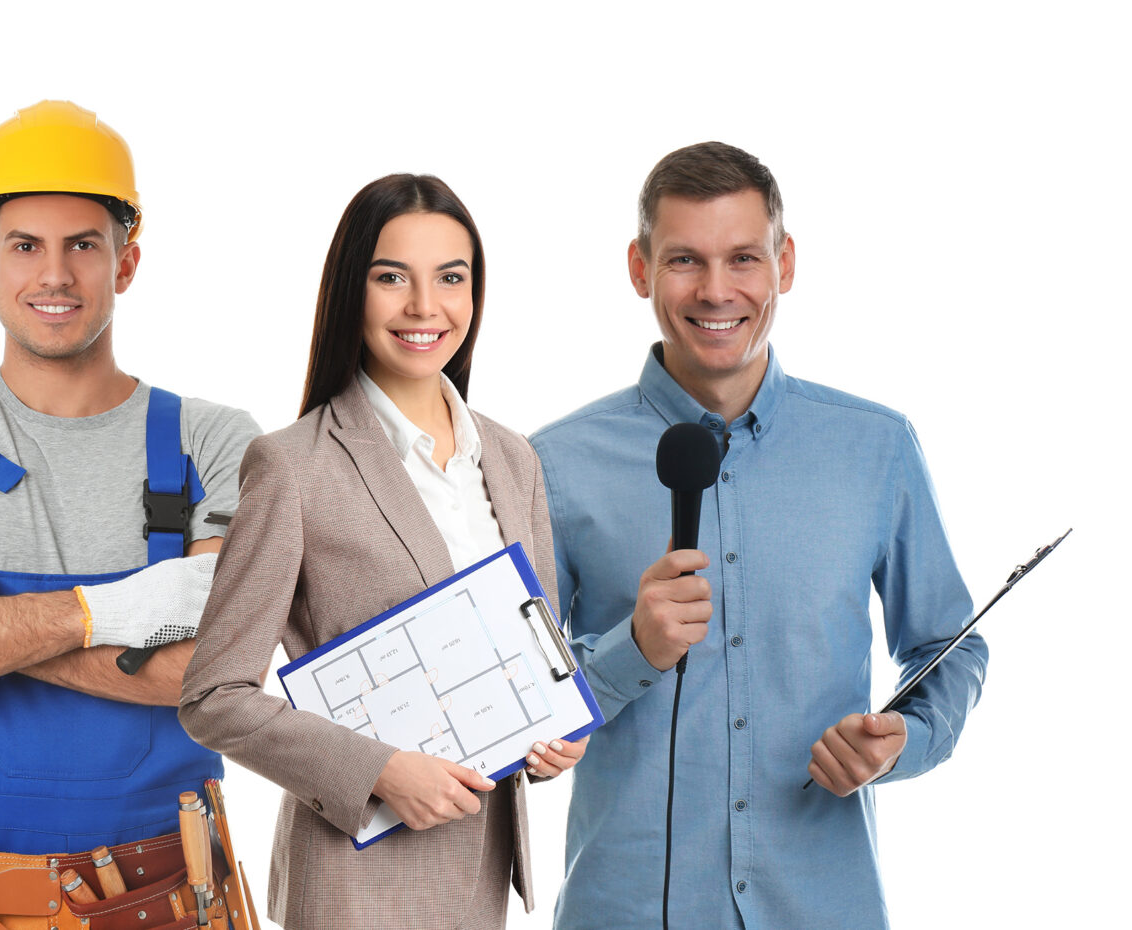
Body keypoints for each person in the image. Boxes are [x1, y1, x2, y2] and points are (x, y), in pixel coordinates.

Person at [531, 142, 988, 928]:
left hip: (823, 905)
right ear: (640, 269)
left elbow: (950, 645)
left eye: (743, 257)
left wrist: (901, 740)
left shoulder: (875, 447)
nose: (716, 291)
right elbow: (516, 702)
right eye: (684, 260)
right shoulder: (553, 464)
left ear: (786, 262)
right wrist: (630, 650)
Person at [0, 100, 262, 930]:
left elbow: (215, 677)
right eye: (25, 246)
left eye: (83, 247)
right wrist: (114, 616)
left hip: (161, 898)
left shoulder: (212, 440)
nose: (54, 275)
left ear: (125, 263)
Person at [179, 175, 585, 929]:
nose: (424, 306)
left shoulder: (512, 458)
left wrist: (554, 735)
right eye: (391, 277)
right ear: (350, 291)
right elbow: (213, 699)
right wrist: (379, 772)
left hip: (479, 878)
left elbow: (540, 649)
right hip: (353, 884)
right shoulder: (293, 466)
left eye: (450, 278)